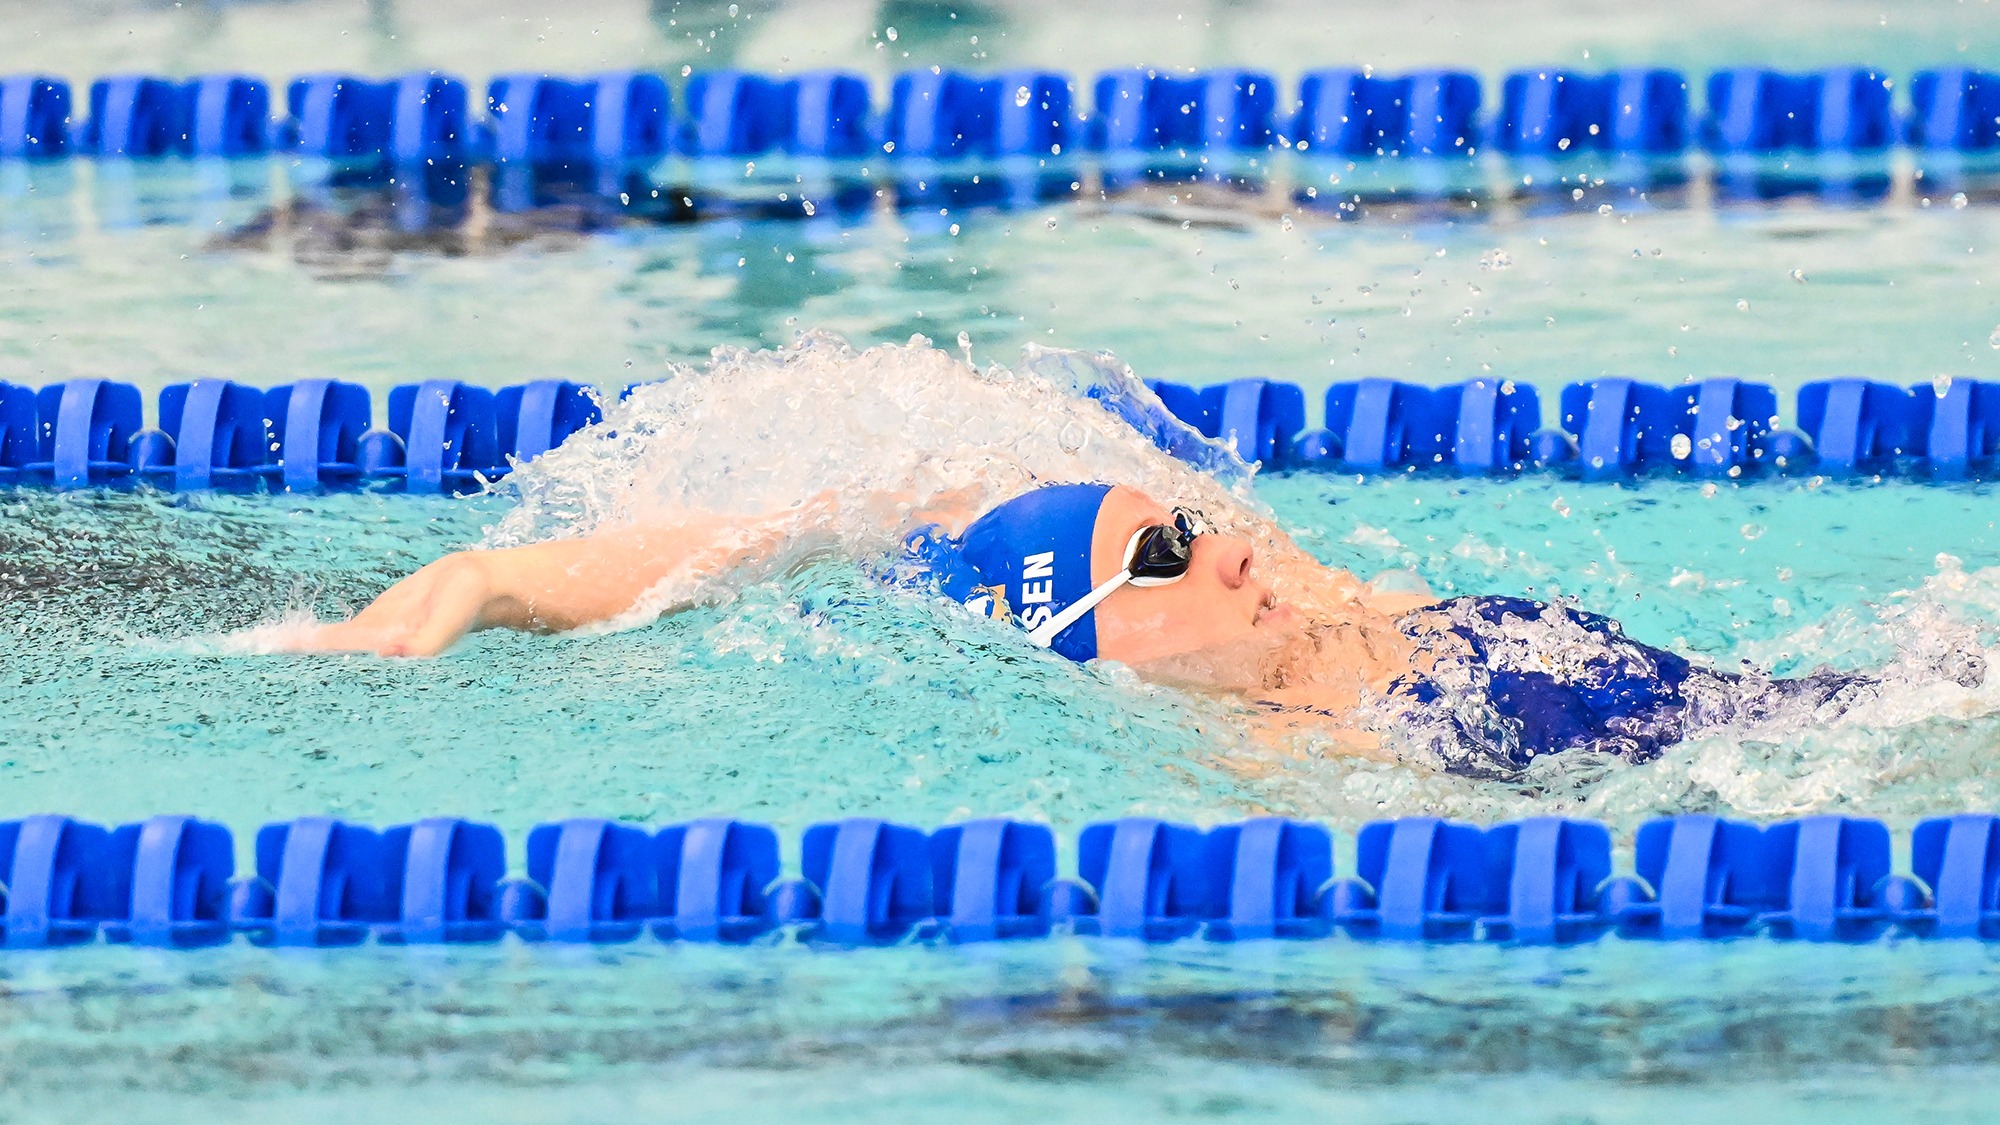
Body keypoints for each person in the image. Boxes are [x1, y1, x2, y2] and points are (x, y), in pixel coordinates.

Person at [290, 480, 1882, 777]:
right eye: (1170, 548)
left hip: (1799, 703)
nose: (1228, 545)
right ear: (1100, 641)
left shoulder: (1322, 601)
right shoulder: (1282, 759)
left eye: (1191, 518)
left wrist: (496, 577)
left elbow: (791, 524)